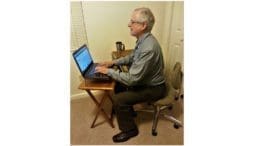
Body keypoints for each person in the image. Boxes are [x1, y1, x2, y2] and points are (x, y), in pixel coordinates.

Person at [95, 7, 166, 143]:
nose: (129, 24)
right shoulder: (143, 39)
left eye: (132, 22)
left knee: (118, 99)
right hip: (146, 81)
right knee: (118, 81)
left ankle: (130, 130)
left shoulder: (149, 48)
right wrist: (112, 62)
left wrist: (108, 71)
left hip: (155, 88)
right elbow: (132, 57)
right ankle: (126, 110)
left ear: (143, 25)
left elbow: (132, 80)